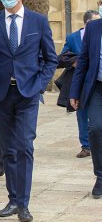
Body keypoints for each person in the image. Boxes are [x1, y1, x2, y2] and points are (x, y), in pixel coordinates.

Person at [0, 0, 58, 222]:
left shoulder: (38, 22)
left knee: (24, 146)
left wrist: (40, 85)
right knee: (7, 149)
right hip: (0, 93)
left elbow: (51, 58)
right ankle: (12, 199)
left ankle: (23, 204)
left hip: (27, 94)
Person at [70, 14, 102, 200]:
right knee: (95, 128)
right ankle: (100, 176)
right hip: (97, 87)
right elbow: (83, 61)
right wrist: (75, 91)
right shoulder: (93, 28)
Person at [60, 10, 100, 158]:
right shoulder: (73, 38)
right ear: (88, 23)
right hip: (82, 82)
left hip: (97, 81)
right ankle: (86, 146)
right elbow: (62, 57)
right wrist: (75, 61)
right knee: (82, 115)